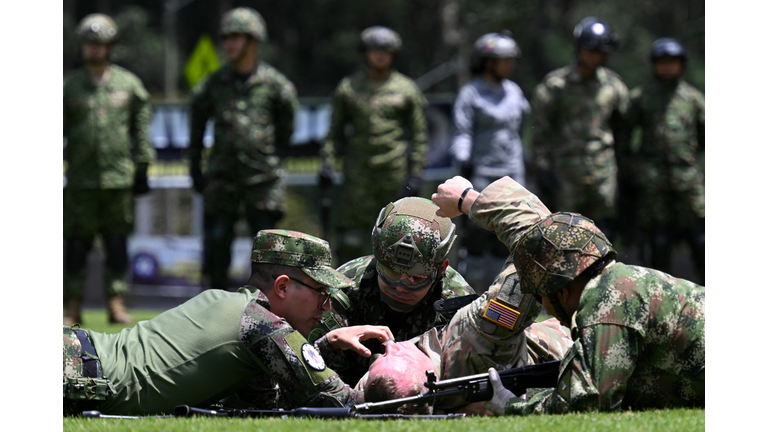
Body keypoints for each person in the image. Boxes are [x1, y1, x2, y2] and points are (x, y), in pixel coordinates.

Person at [430, 175, 705, 414]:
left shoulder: (607, 303)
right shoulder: (619, 282)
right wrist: (468, 200)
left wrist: (508, 406)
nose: (547, 311)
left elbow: (586, 403)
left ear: (561, 291)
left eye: (542, 299)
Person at [63, 230, 394, 415]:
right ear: (281, 286)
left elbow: (268, 404)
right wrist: (403, 375)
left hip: (77, 357)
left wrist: (326, 345)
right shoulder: (262, 325)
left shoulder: (231, 304)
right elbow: (342, 404)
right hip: (74, 369)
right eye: (321, 294)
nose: (326, 308)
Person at [308, 197, 483, 385]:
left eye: (416, 278)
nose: (400, 287)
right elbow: (317, 374)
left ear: (441, 269)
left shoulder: (458, 304)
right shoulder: (344, 290)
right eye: (390, 272)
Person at [188, 7, 299, 290]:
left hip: (262, 179)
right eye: (227, 38)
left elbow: (287, 127)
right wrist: (195, 166)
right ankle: (213, 308)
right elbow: (197, 125)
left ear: (253, 41)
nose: (229, 44)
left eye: (237, 37)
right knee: (216, 243)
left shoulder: (275, 84)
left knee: (268, 249)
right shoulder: (213, 84)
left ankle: (268, 309)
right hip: (222, 178)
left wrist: (268, 154)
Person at [63, 13, 156, 325]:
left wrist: (142, 165)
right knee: (75, 247)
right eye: (89, 43)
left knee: (117, 245)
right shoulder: (68, 86)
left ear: (110, 46)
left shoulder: (128, 85)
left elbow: (141, 128)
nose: (94, 49)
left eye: (100, 43)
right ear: (82, 46)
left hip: (118, 181)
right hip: (80, 182)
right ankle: (71, 307)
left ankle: (115, 304)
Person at [319, 26, 429, 264]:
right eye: (374, 50)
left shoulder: (407, 89)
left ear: (393, 54)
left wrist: (416, 174)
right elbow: (333, 133)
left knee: (396, 236)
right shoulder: (348, 87)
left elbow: (419, 135)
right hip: (357, 174)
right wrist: (326, 163)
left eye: (385, 50)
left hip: (394, 173)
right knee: (350, 239)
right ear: (364, 53)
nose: (379, 55)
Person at [530, 17, 628, 237]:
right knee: (567, 235)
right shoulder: (556, 85)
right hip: (566, 174)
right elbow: (540, 131)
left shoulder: (614, 86)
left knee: (604, 234)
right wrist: (542, 168)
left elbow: (623, 130)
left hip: (603, 174)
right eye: (590, 49)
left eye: (600, 51)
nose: (594, 56)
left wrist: (626, 170)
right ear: (579, 49)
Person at [449, 31, 530, 293]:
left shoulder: (514, 91)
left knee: (505, 237)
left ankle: (501, 296)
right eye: (504, 59)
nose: (511, 64)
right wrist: (464, 162)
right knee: (477, 238)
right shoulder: (471, 94)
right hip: (481, 174)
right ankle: (470, 296)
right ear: (488, 62)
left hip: (512, 173)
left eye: (512, 59)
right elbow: (462, 132)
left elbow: (522, 126)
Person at [622, 38, 705, 283]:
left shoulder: (693, 98)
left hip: (688, 180)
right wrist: (631, 170)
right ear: (654, 65)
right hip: (653, 182)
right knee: (659, 239)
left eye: (673, 62)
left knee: (701, 237)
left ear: (681, 64)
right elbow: (624, 134)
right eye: (662, 62)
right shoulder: (641, 97)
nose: (668, 67)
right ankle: (661, 297)